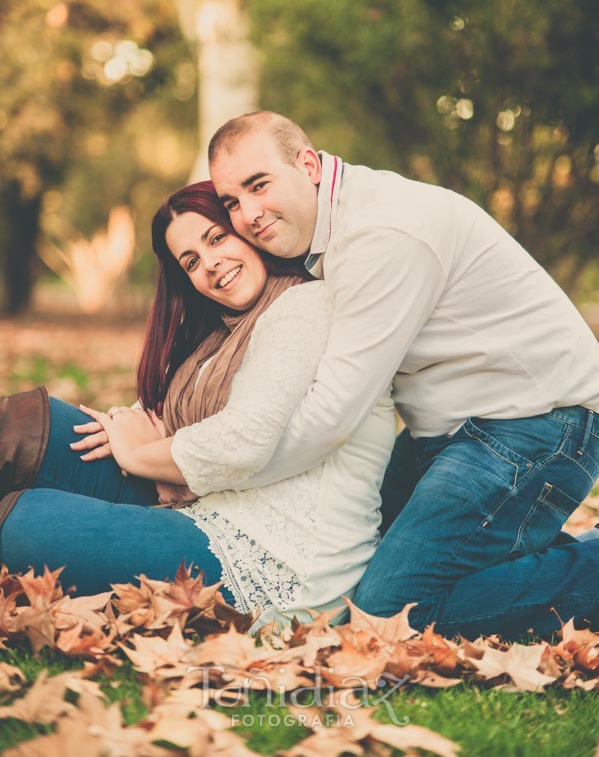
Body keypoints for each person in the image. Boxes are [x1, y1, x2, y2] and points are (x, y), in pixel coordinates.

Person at [206, 110, 599, 640]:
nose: (248, 214)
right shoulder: (335, 226)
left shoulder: (381, 233)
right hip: (451, 435)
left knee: (384, 619)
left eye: (259, 185)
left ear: (308, 164)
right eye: (232, 201)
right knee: (363, 573)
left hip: (536, 427)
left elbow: (332, 417)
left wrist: (206, 470)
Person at [0, 182, 395, 628]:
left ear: (248, 231)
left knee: (24, 523)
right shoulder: (218, 334)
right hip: (199, 507)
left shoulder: (301, 307)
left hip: (273, 558)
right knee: (19, 427)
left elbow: (240, 441)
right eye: (191, 261)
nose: (210, 264)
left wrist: (136, 455)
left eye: (216, 238)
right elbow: (159, 412)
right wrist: (124, 425)